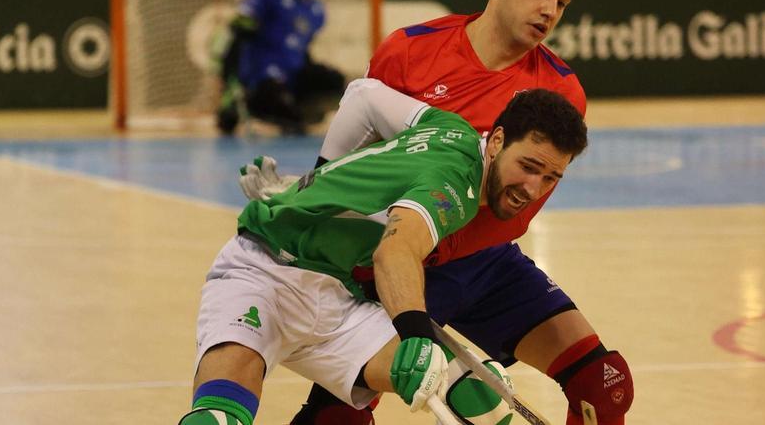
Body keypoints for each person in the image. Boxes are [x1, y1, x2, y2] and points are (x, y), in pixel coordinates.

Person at [253, 0, 634, 424]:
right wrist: (315, 198)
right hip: (397, 258)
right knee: (338, 416)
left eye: (562, 1)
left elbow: (516, 210)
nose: (550, 10)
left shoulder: (560, 91)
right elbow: (364, 159)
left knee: (603, 382)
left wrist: (420, 243)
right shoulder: (409, 52)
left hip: (480, 257)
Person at [180, 87, 589, 425]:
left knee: (477, 397)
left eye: (551, 177)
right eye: (529, 166)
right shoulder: (454, 184)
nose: (534, 189)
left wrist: (316, 183)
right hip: (266, 275)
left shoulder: (450, 128)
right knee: (218, 418)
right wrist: (415, 334)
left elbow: (364, 96)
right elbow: (395, 251)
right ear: (498, 141)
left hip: (342, 301)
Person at [216, 0, 345, 135]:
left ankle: (306, 108)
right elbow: (241, 27)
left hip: (293, 73)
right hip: (263, 74)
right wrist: (232, 79)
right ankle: (243, 103)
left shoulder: (316, 10)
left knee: (335, 80)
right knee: (290, 119)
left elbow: (302, 47)